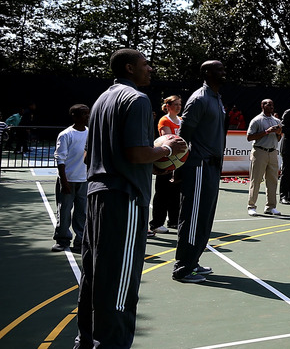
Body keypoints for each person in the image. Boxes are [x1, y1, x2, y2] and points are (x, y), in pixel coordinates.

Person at [76, 49, 186, 347]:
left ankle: (86, 341)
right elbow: (136, 152)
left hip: (96, 195)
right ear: (129, 67)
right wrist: (167, 151)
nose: (150, 69)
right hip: (123, 199)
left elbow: (89, 156)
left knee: (94, 275)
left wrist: (151, 166)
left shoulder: (101, 100)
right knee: (120, 282)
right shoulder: (136, 99)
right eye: (145, 64)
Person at [173, 60, 228, 283]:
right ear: (206, 73)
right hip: (199, 166)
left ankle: (193, 261)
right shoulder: (199, 99)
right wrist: (178, 166)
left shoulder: (217, 98)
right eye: (219, 69)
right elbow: (183, 135)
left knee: (204, 218)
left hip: (212, 167)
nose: (224, 72)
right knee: (193, 218)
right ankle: (182, 268)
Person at [51, 103, 89, 252]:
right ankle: (62, 239)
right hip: (68, 180)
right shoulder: (66, 134)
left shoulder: (90, 132)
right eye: (84, 114)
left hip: (84, 180)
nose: (87, 116)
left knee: (82, 213)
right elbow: (60, 159)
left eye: (88, 113)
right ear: (74, 116)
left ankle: (80, 241)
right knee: (64, 211)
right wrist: (64, 181)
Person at [149, 95, 183, 235]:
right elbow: (169, 139)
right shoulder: (164, 120)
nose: (178, 107)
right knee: (162, 192)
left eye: (180, 104)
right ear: (167, 106)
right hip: (166, 160)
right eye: (175, 104)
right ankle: (156, 223)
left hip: (179, 160)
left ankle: (174, 220)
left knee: (176, 192)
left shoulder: (181, 120)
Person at [246, 99, 283, 217]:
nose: (271, 106)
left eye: (272, 104)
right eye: (268, 104)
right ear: (262, 106)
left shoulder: (277, 120)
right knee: (256, 180)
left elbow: (278, 139)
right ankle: (251, 206)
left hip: (272, 153)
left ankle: (271, 207)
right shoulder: (257, 120)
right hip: (259, 152)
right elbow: (249, 137)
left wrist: (278, 133)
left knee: (272, 181)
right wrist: (267, 131)